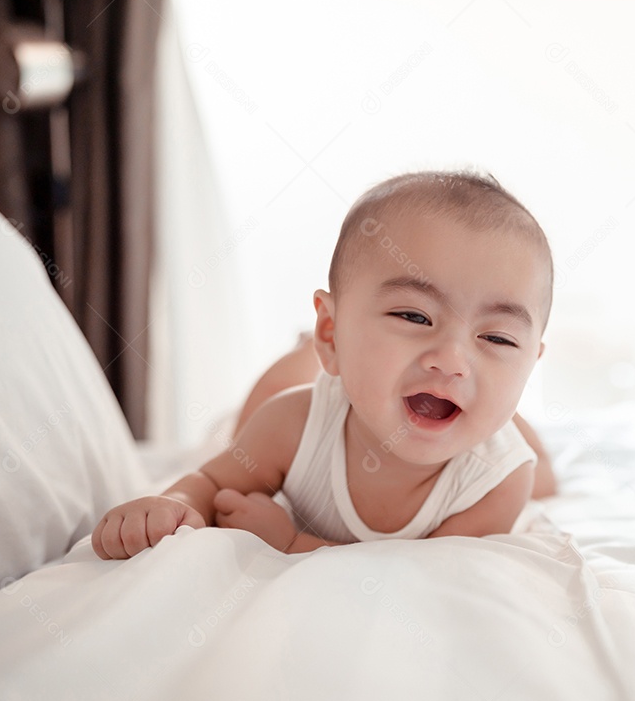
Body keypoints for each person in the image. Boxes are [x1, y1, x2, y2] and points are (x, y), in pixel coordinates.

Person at [92, 170, 557, 559]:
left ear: (532, 362)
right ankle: (308, 352)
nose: (453, 358)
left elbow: (418, 579)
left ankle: (502, 409)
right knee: (261, 407)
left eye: (497, 337)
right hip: (313, 388)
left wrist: (293, 543)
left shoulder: (501, 479)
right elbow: (210, 482)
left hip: (463, 417)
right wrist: (173, 503)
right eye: (414, 316)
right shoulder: (291, 424)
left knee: (544, 475)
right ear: (331, 333)